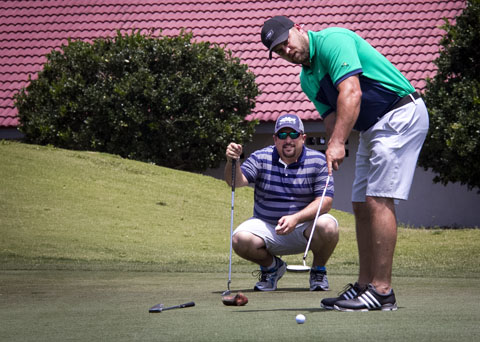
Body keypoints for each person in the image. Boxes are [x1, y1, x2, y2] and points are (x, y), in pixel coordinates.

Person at [261, 16, 429, 311]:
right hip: (371, 128)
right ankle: (365, 286)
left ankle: (382, 290)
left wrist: (339, 144)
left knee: (378, 200)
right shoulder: (306, 78)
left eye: (286, 41)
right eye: (279, 50)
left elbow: (352, 92)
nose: (287, 50)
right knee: (360, 204)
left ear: (299, 28)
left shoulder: (333, 40)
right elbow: (330, 118)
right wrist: (331, 145)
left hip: (400, 114)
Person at [224, 113, 339, 292]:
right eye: (282, 135)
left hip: (304, 228)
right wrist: (233, 162)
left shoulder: (318, 161)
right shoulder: (261, 157)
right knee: (240, 239)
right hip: (268, 227)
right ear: (275, 138)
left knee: (328, 225)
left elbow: (325, 202)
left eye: (293, 135)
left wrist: (296, 218)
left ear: (303, 137)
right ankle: (272, 268)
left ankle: (318, 271)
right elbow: (236, 182)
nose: (288, 140)